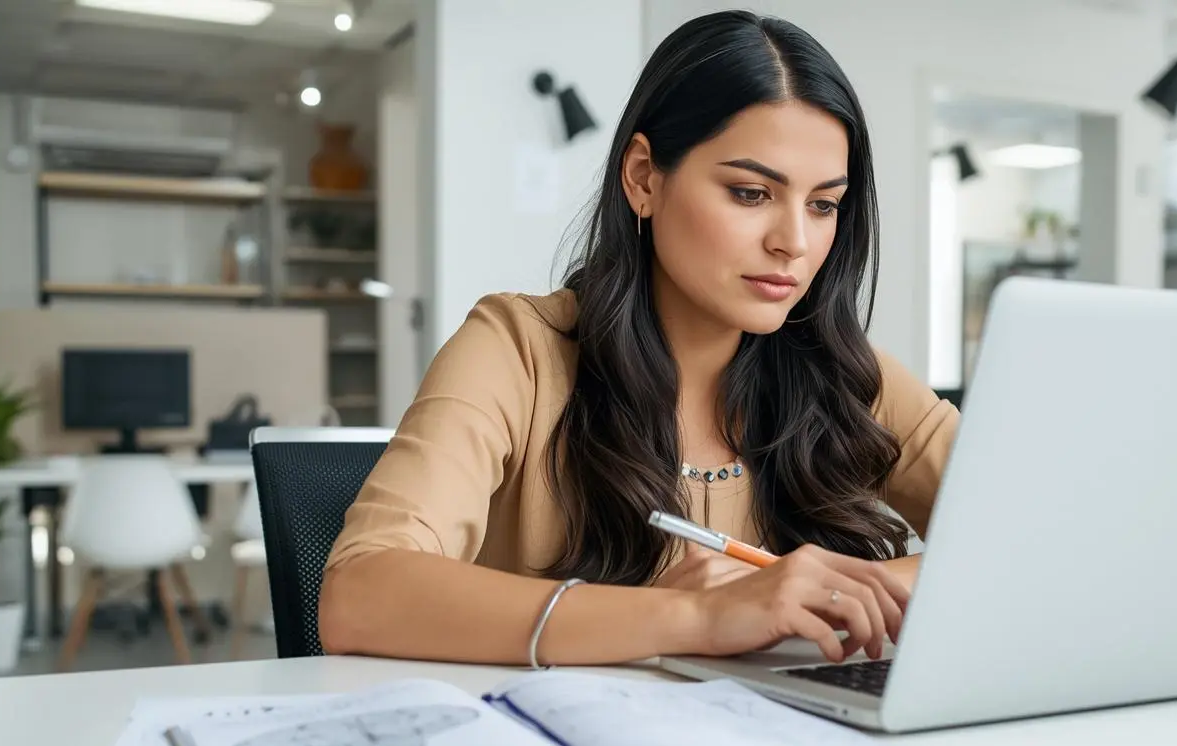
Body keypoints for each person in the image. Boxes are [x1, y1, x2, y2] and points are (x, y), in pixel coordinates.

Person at [320, 10, 959, 668]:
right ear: (644, 177)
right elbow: (360, 592)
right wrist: (696, 616)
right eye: (750, 192)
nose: (794, 242)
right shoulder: (518, 350)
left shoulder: (847, 377)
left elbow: (1050, 534)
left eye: (823, 205)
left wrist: (838, 591)